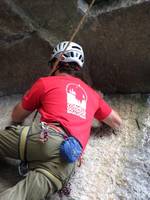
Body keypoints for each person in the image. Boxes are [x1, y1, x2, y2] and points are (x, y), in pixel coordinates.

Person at [0, 41, 122, 200]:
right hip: (66, 161)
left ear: (58, 61)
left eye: (52, 63)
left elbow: (16, 116)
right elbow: (116, 122)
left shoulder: (46, 82)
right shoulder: (92, 95)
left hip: (44, 139)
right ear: (77, 68)